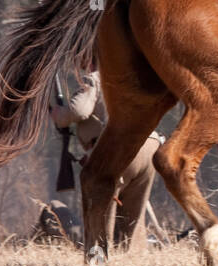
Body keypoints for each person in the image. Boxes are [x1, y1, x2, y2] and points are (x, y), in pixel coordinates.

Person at [49, 68, 162, 250]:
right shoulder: (136, 72)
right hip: (150, 145)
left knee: (102, 208)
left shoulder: (95, 77)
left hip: (119, 146)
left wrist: (60, 114)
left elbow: (79, 111)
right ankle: (129, 256)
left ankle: (101, 257)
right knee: (133, 214)